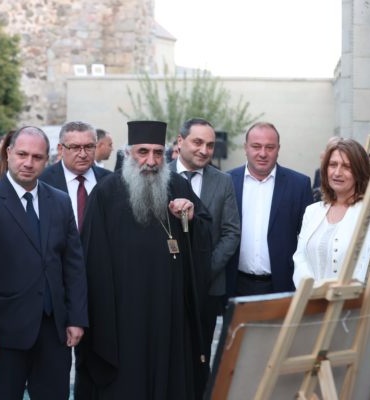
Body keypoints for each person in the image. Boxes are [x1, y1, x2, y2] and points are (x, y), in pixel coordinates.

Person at [75, 120, 213, 399]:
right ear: (128, 153)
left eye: (158, 153)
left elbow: (205, 235)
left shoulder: (178, 186)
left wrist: (191, 218)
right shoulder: (105, 193)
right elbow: (91, 260)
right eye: (143, 152)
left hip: (169, 313)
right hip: (123, 316)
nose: (151, 161)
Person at [0, 126, 87, 400]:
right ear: (9, 153)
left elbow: (73, 266)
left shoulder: (60, 202)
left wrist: (76, 318)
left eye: (37, 157)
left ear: (48, 159)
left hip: (54, 332)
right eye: (22, 154)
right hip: (4, 334)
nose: (28, 163)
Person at [169, 117, 240, 371]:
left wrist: (204, 270)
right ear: (180, 141)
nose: (204, 150)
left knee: (200, 358)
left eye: (210, 145)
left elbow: (231, 232)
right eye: (197, 142)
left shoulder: (223, 181)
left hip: (208, 288)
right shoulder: (159, 176)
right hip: (168, 286)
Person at [226, 122, 313, 296]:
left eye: (270, 147)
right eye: (256, 146)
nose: (263, 153)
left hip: (282, 285)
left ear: (278, 149)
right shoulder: (227, 181)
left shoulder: (299, 185)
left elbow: (308, 239)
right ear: (245, 147)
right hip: (235, 284)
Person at [293, 138, 370, 287]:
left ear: (359, 172)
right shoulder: (312, 211)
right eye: (333, 165)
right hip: (310, 298)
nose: (337, 172)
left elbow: (366, 265)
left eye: (346, 167)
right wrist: (312, 290)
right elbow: (300, 258)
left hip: (349, 299)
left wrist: (336, 293)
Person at [39, 121, 111, 231]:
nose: (83, 154)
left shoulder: (109, 181)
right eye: (75, 147)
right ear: (60, 149)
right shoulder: (42, 181)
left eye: (89, 146)